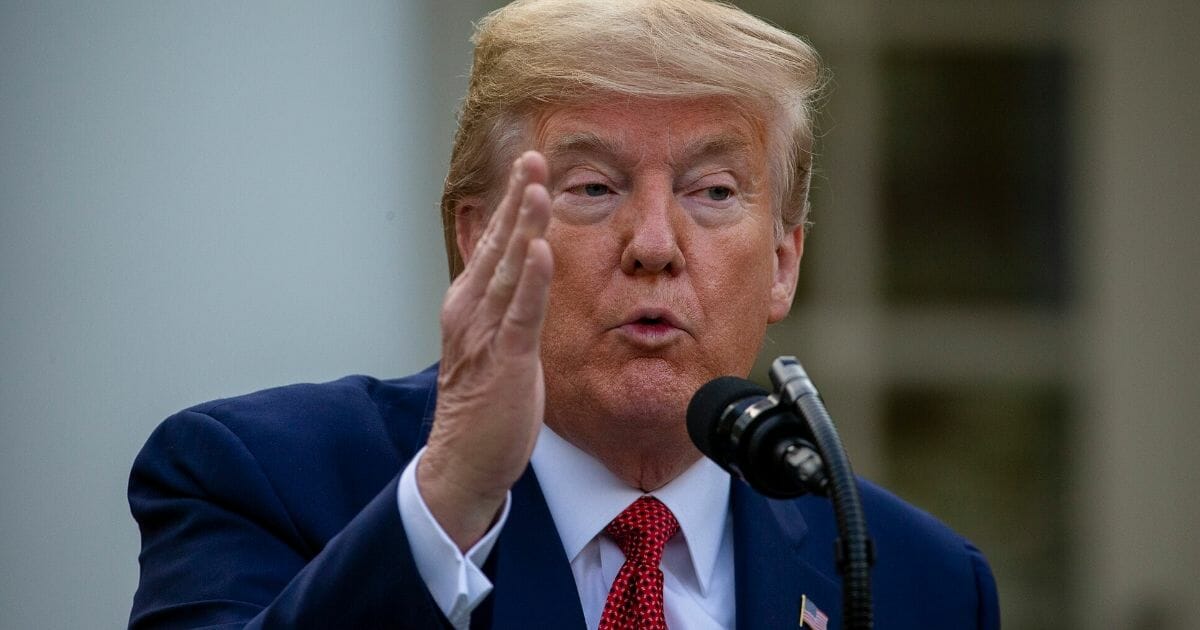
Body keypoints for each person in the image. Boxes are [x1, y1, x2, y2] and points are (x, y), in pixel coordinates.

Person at [128, 1, 1000, 628]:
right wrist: (450, 500)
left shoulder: (918, 583)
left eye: (713, 190)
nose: (654, 243)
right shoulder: (257, 479)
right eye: (592, 186)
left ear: (781, 262)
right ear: (481, 243)